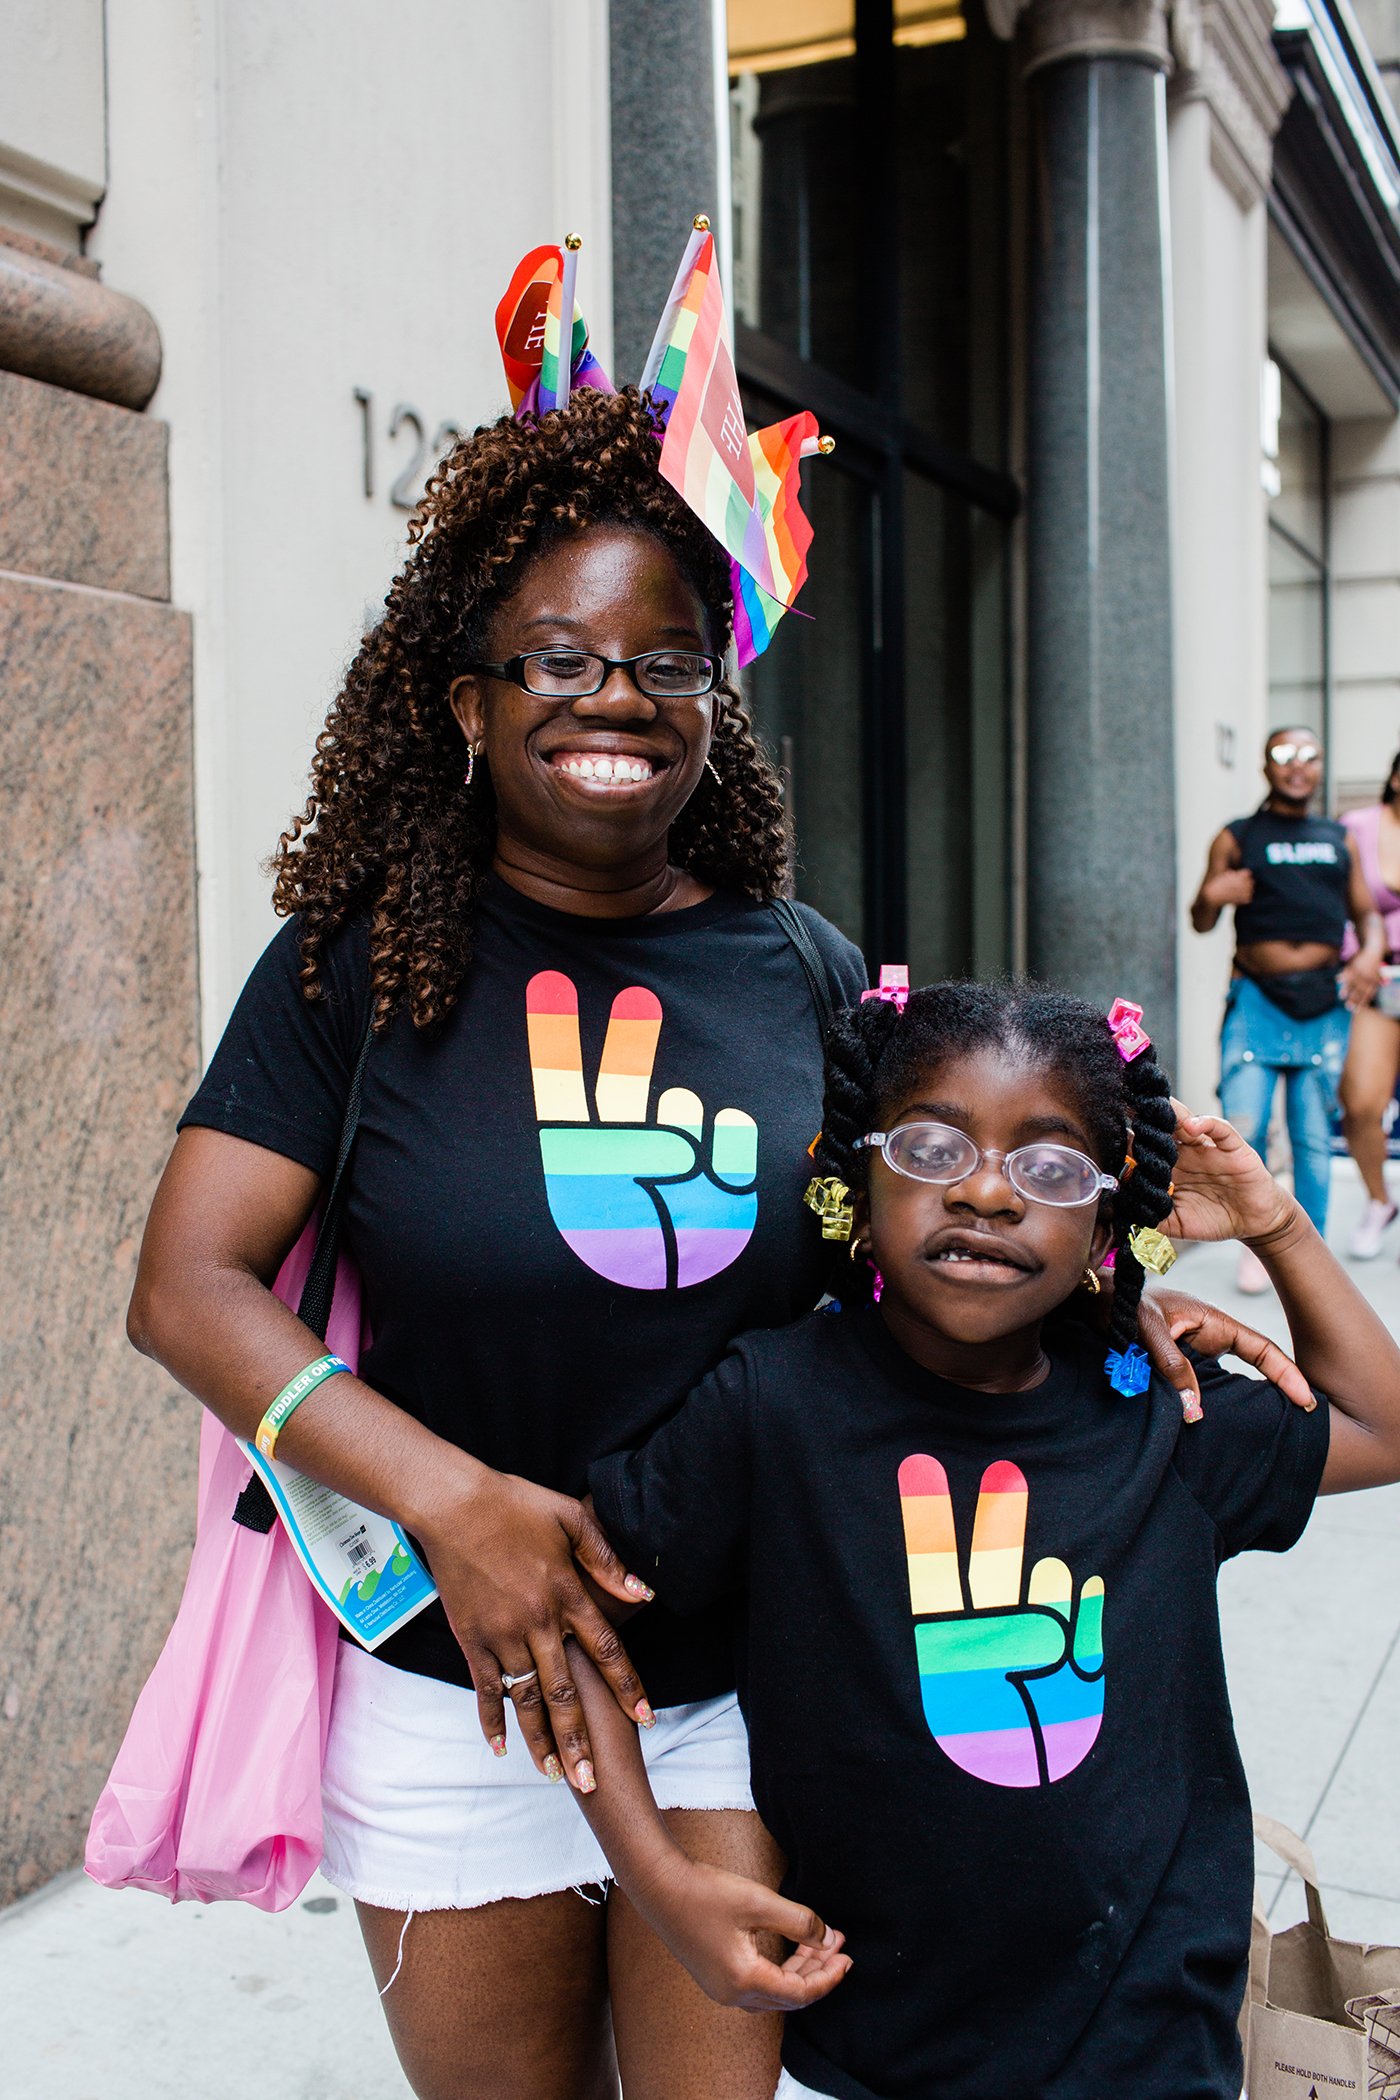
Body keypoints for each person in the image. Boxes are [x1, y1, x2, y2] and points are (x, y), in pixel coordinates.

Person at [124, 380, 1305, 2100]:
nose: (617, 697)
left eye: (669, 665)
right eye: (558, 659)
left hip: (751, 1689)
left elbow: (903, 1250)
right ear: (468, 697)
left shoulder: (805, 973)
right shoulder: (356, 967)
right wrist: (454, 1502)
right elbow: (188, 1287)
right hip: (456, 1687)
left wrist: (1122, 1315)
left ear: (714, 699)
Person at [570, 981, 1400, 2100]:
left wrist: (1275, 1224)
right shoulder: (770, 1408)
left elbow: (1380, 1428)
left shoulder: (1161, 1413)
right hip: (882, 2038)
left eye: (1051, 1170)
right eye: (928, 1147)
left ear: (1108, 1225)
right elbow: (579, 1608)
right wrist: (654, 1872)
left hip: (1148, 2031)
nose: (984, 1191)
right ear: (854, 1184)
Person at [1190, 727, 1384, 1290]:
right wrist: (1212, 897)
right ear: (1265, 765)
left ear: (1321, 766)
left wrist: (1370, 955)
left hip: (1324, 1002)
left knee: (1313, 1135)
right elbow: (1200, 920)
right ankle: (1258, 1245)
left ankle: (1309, 1253)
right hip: (1257, 999)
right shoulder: (1237, 836)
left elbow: (1368, 915)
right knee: (1243, 1127)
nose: (1296, 766)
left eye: (1308, 756)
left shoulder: (1337, 837)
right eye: (1283, 756)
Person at [1339, 747, 1400, 1258]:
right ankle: (1380, 1200)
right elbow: (1327, 898)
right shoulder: (1356, 826)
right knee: (1361, 1103)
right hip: (1376, 980)